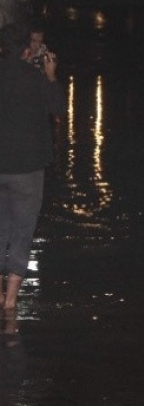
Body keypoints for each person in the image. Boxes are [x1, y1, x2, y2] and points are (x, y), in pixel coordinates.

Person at [0, 22, 65, 310]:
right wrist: (51, 77)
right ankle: (11, 301)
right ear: (28, 49)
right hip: (27, 168)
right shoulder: (36, 78)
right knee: (23, 230)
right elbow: (59, 110)